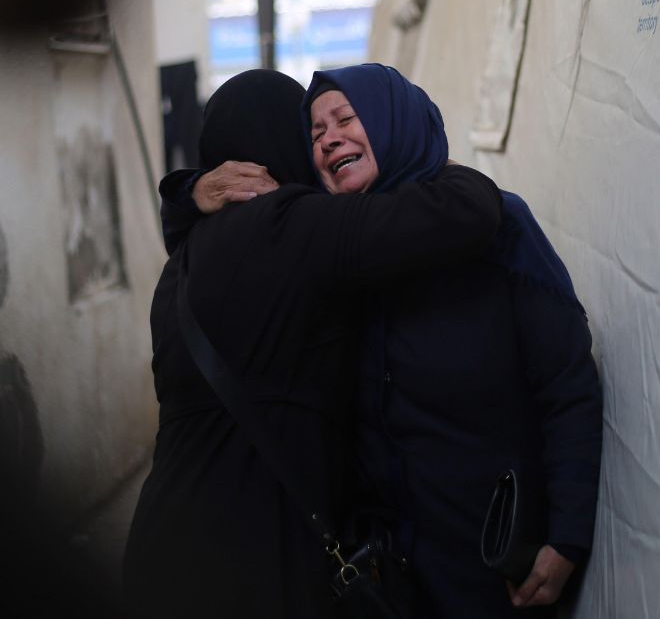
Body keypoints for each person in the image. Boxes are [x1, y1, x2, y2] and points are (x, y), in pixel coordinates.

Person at [165, 63, 602, 619]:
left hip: (496, 567)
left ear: (394, 121)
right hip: (390, 581)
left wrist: (567, 534)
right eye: (315, 133)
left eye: (346, 118)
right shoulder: (334, 254)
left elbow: (567, 384)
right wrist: (191, 189)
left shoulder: (498, 228)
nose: (329, 139)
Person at [122, 68, 502, 619]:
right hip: (253, 558)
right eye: (308, 129)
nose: (319, 143)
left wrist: (187, 192)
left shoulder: (178, 266)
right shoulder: (290, 225)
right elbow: (469, 212)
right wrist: (420, 156)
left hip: (160, 550)